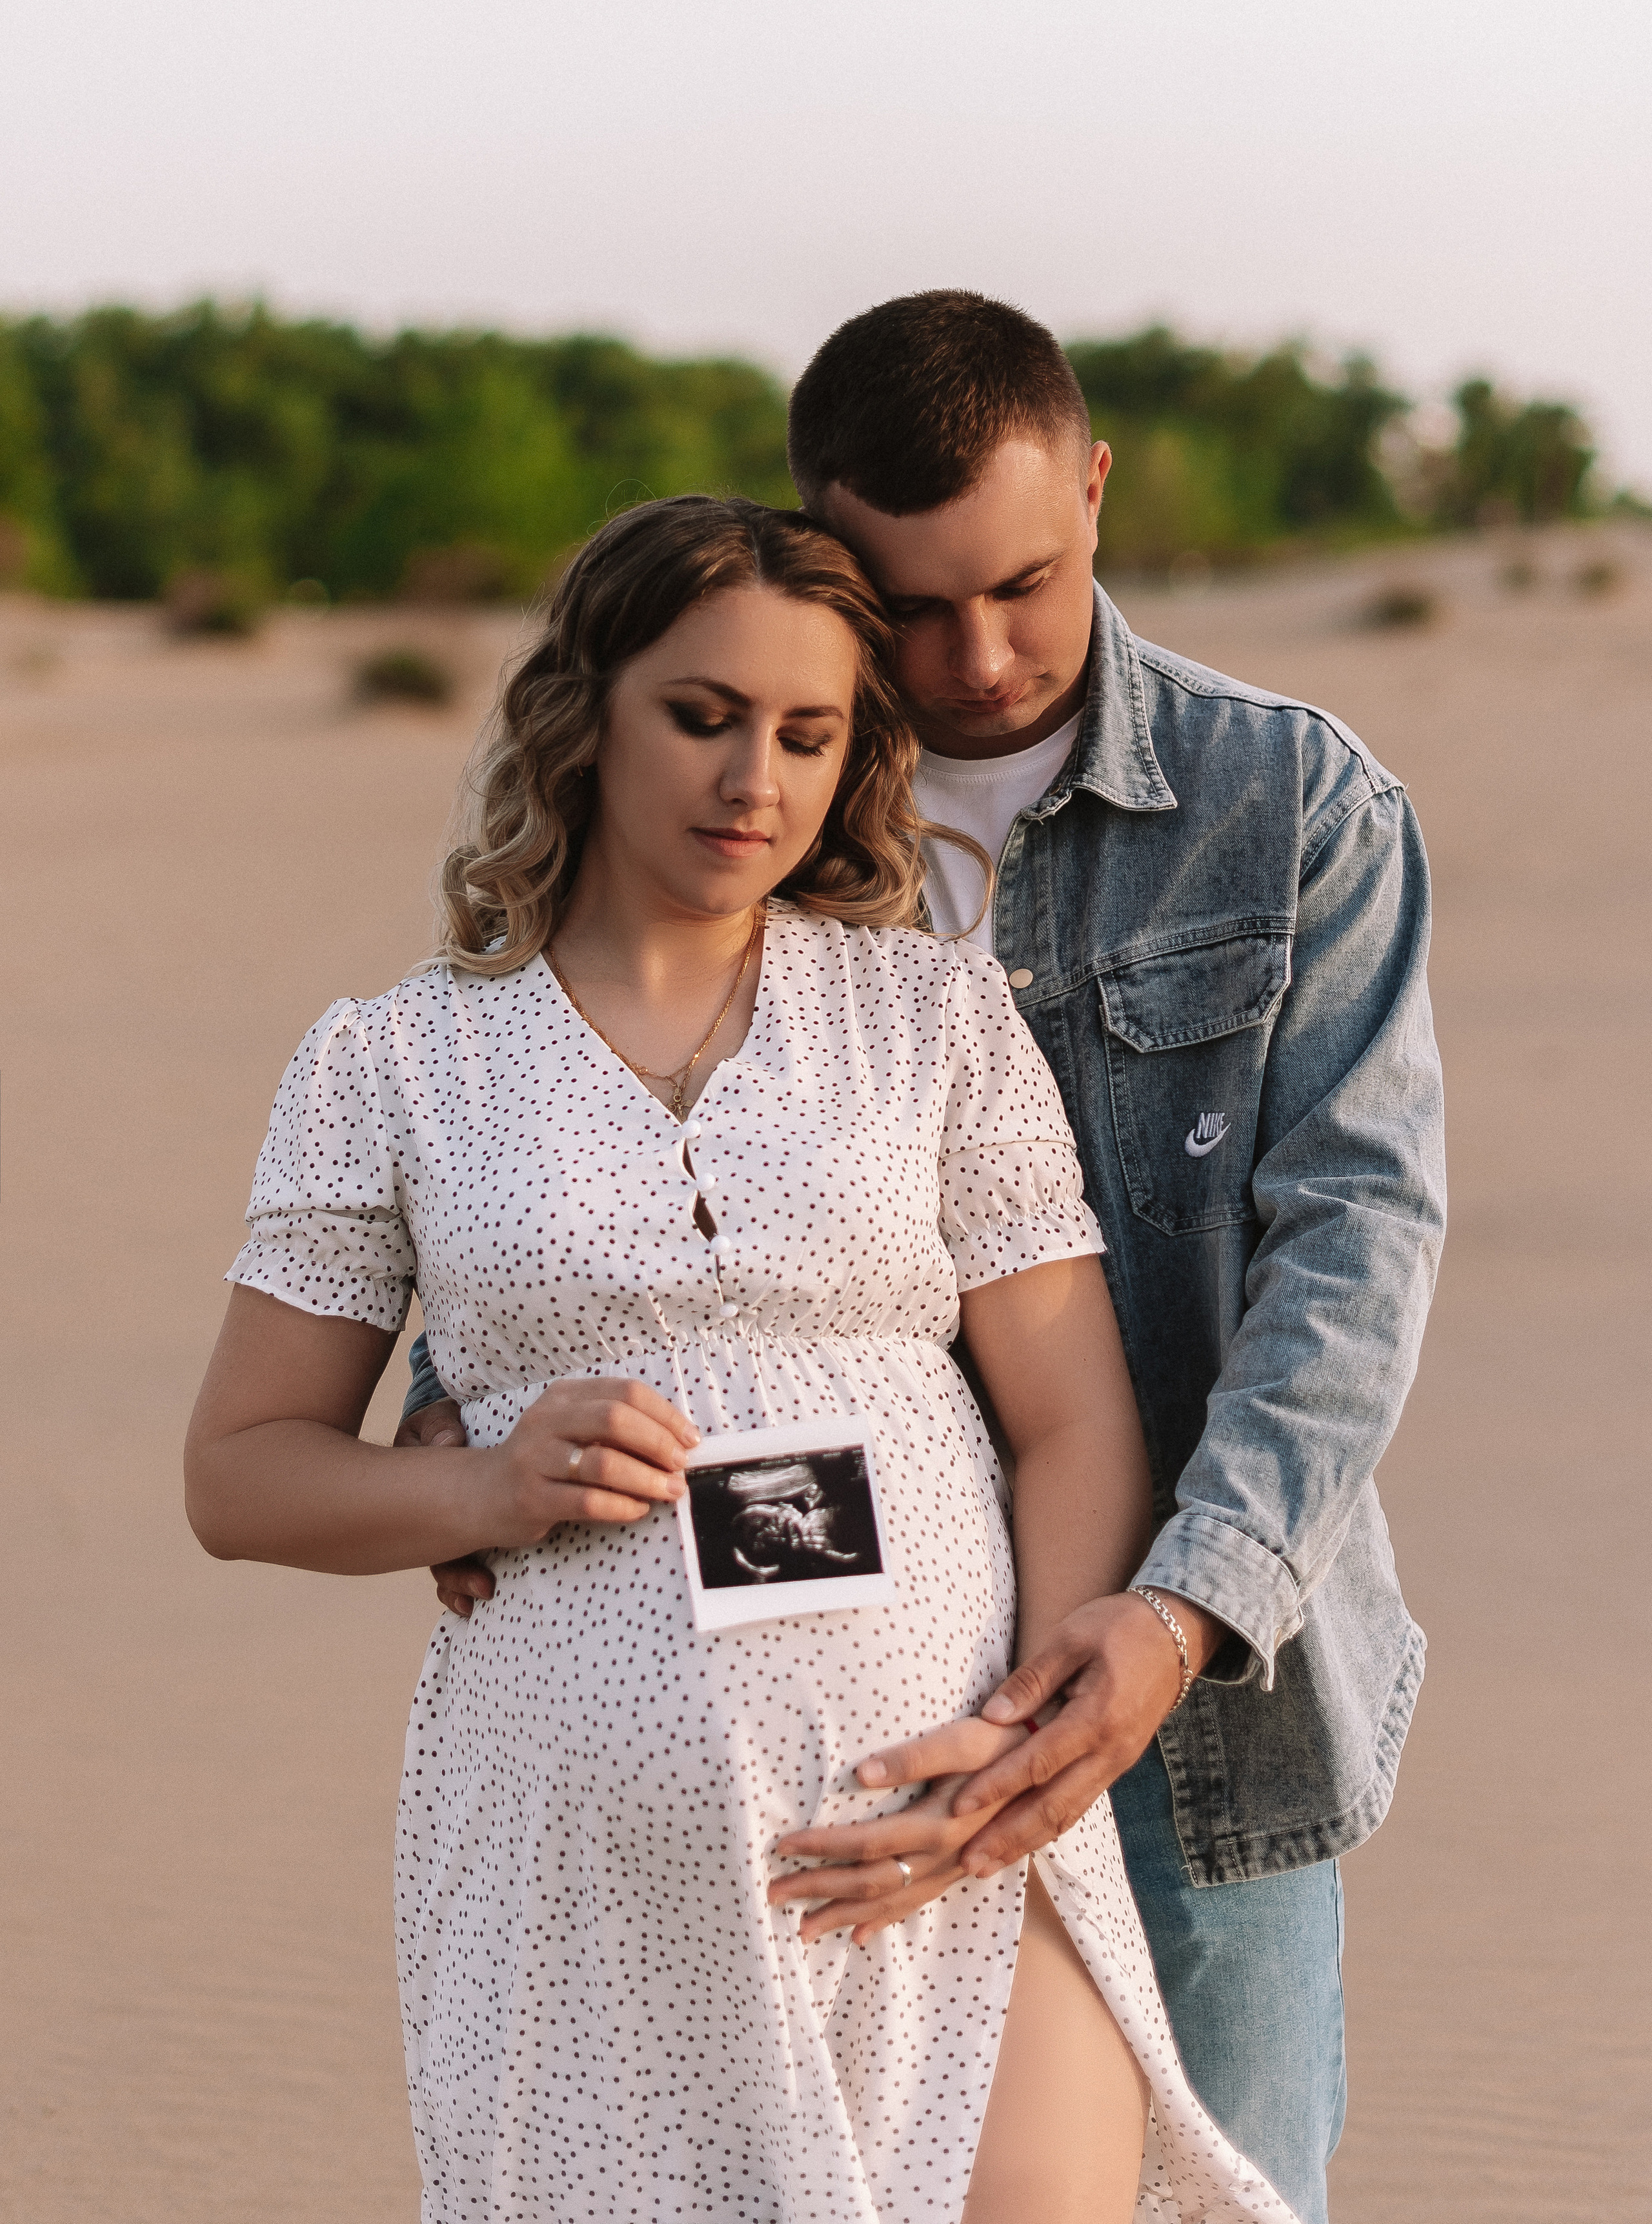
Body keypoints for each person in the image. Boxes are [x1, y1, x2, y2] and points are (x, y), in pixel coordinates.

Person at [402, 295, 1447, 2224]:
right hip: (798, 1714)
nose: (977, 659)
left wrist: (1172, 1617)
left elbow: (1355, 1256)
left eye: (1025, 585)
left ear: (1098, 489)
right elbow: (570, 1110)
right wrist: (463, 1396)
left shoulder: (1290, 805)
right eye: (914, 607)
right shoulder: (751, 778)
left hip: (1187, 1688)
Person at [185, 497, 1299, 2224]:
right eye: (701, 716)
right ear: (586, 715)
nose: (751, 781)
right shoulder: (391, 1066)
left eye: (805, 733)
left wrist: (1011, 1756)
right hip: (589, 1871)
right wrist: (480, 1488)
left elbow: (1075, 1418)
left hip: (944, 1825)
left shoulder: (931, 1017)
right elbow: (241, 1471)